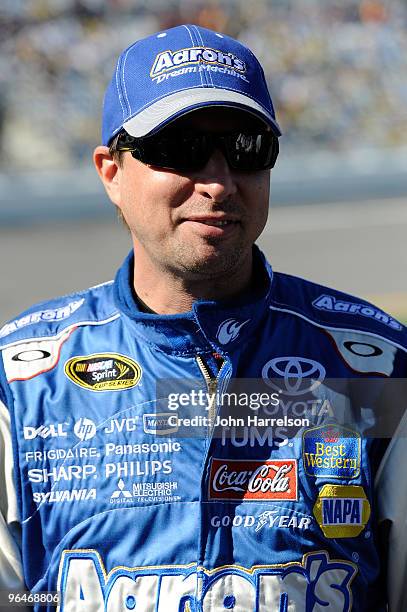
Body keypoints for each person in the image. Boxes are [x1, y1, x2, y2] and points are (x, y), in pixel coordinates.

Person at [0, 23, 406, 612]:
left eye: (246, 148)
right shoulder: (22, 384)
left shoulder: (380, 368)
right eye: (181, 149)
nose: (218, 182)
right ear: (110, 172)